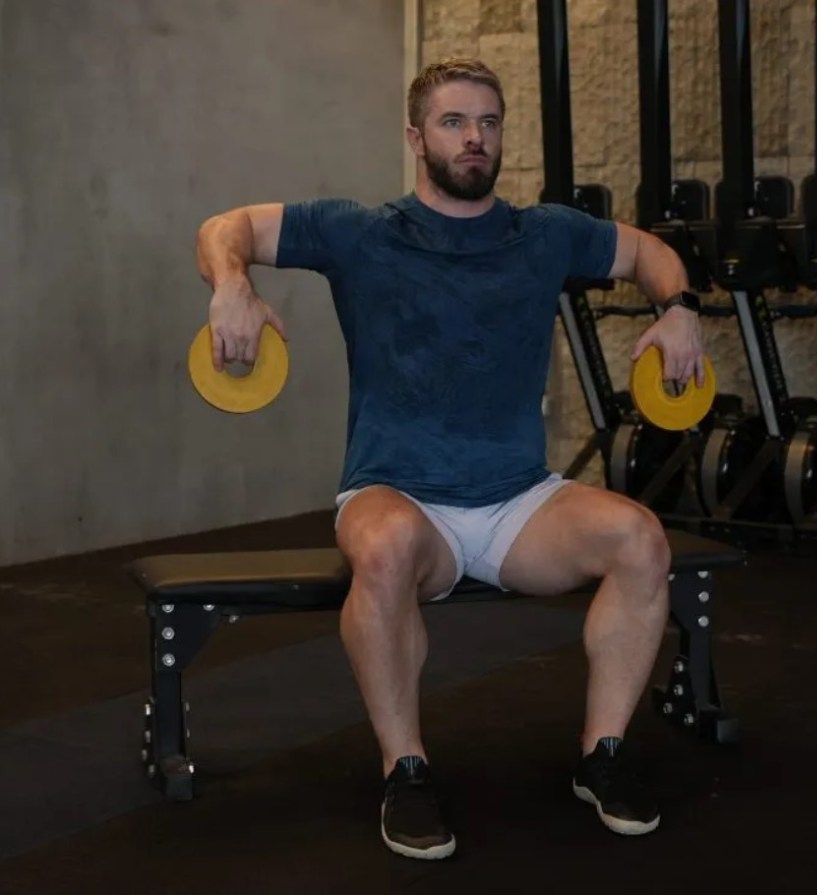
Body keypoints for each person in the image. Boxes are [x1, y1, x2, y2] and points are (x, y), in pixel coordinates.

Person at [195, 58, 705, 861]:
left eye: (490, 122)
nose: (475, 138)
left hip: (518, 499)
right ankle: (406, 768)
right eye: (455, 122)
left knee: (641, 539)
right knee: (388, 545)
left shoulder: (544, 235)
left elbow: (648, 252)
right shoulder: (360, 231)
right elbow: (227, 227)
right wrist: (230, 285)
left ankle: (603, 754)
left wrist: (679, 310)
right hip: (398, 492)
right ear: (415, 136)